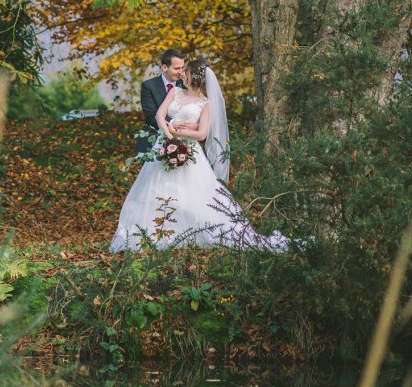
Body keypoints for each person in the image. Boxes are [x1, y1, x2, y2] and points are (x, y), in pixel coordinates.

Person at [111, 59, 290, 251]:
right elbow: (159, 116)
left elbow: (202, 134)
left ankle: (189, 233)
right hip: (163, 144)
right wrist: (169, 133)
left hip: (189, 152)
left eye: (185, 72)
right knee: (154, 189)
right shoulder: (175, 92)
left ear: (194, 77)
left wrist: (180, 135)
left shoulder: (206, 103)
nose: (182, 75)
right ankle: (152, 233)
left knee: (192, 194)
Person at [135, 49, 185, 159]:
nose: (181, 72)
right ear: (164, 67)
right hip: (156, 139)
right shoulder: (149, 86)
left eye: (182, 68)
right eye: (177, 68)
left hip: (185, 137)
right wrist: (172, 123)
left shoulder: (186, 85)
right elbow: (150, 116)